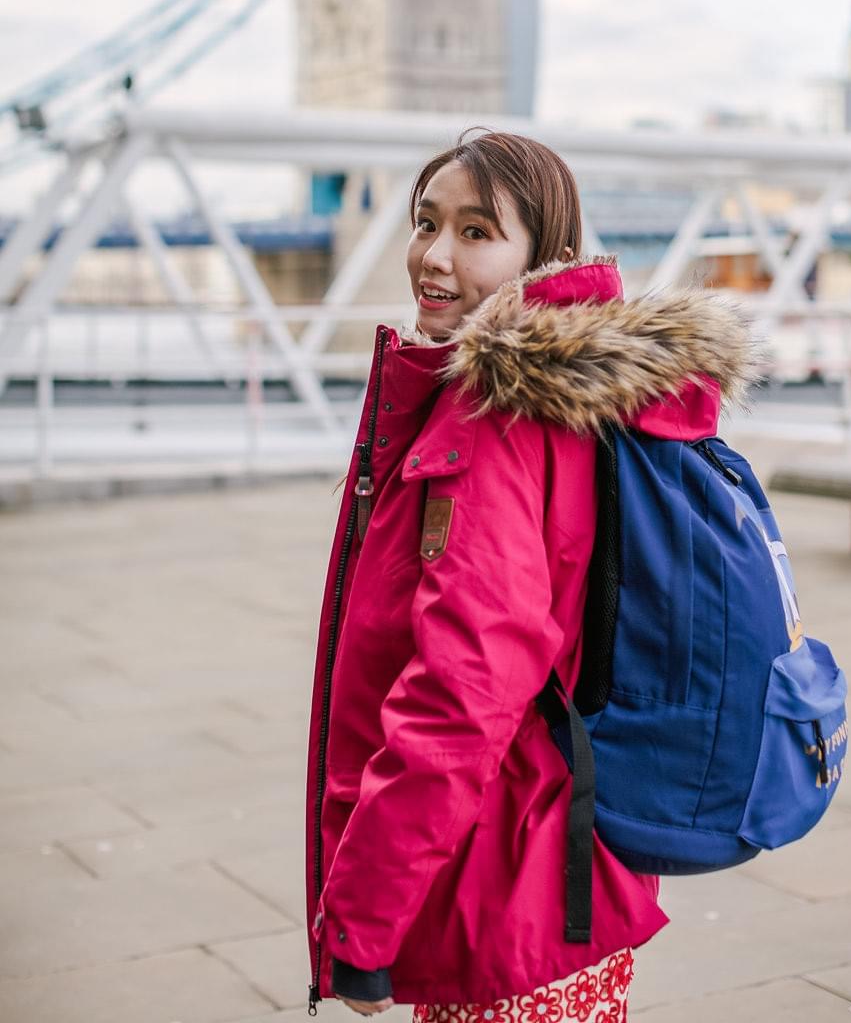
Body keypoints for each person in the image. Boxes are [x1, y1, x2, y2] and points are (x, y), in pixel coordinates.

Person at [305, 128, 755, 1020]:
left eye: (476, 233)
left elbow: (465, 689)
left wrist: (360, 921)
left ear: (538, 257)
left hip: (509, 884)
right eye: (426, 222)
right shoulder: (555, 403)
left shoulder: (492, 424)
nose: (434, 255)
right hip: (558, 865)